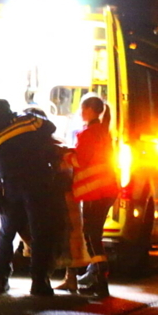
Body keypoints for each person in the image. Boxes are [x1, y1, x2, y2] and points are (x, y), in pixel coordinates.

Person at [0, 99, 60, 296]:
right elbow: (51, 126)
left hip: (10, 189)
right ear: (10, 110)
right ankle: (39, 282)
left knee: (7, 235)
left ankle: (2, 281)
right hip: (38, 183)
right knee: (39, 233)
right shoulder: (28, 120)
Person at [65, 95, 118, 298]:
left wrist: (65, 156)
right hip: (106, 191)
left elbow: (81, 161)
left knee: (91, 235)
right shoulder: (103, 131)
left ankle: (100, 281)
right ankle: (99, 278)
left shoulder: (87, 134)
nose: (80, 113)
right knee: (95, 235)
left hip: (95, 192)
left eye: (82, 109)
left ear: (88, 110)